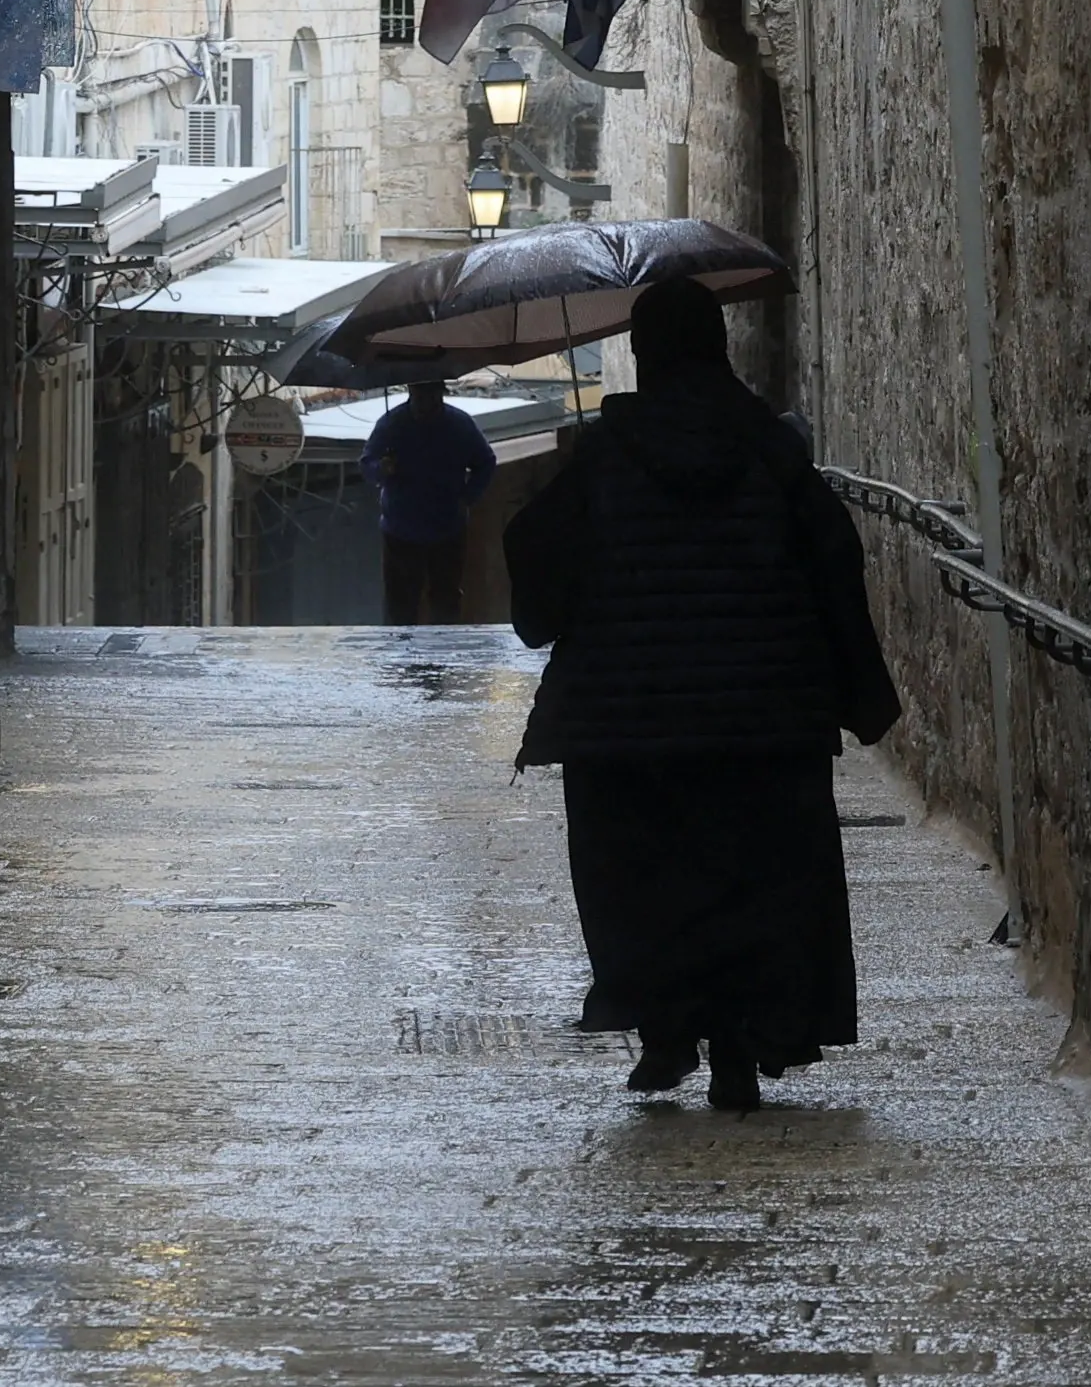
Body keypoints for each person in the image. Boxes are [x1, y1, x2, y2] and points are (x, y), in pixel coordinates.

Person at [501, 271, 899, 1111]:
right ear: (717, 345)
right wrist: (862, 694)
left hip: (627, 719)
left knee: (645, 879)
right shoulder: (773, 450)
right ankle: (737, 1050)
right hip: (763, 713)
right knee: (753, 880)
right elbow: (834, 565)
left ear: (645, 352)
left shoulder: (606, 453)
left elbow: (541, 572)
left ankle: (667, 1027)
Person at [358, 376, 497, 623]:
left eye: (433, 396)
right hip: (400, 531)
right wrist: (383, 467)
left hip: (447, 527)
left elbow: (486, 462)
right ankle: (400, 656)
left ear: (441, 395)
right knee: (400, 603)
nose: (427, 403)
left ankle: (443, 657)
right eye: (421, 396)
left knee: (445, 600)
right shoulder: (392, 424)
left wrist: (468, 497)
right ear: (411, 392)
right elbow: (367, 464)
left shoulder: (459, 424)